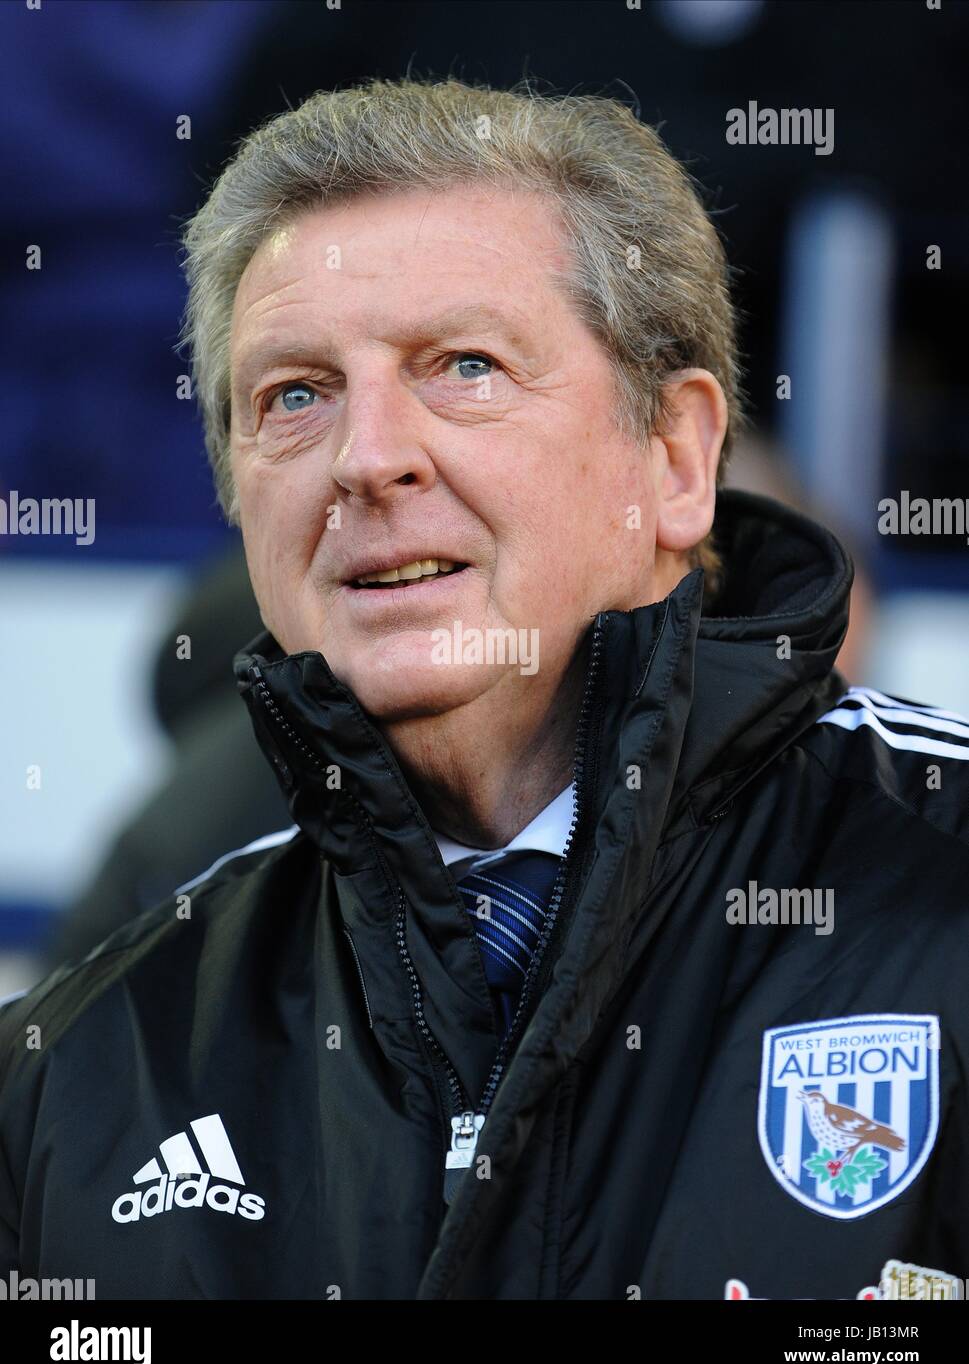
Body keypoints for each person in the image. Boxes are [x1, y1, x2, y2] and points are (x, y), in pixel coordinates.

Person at [1, 77, 967, 1302]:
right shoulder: (82, 1069)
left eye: (463, 365)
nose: (366, 457)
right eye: (294, 394)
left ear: (674, 460)